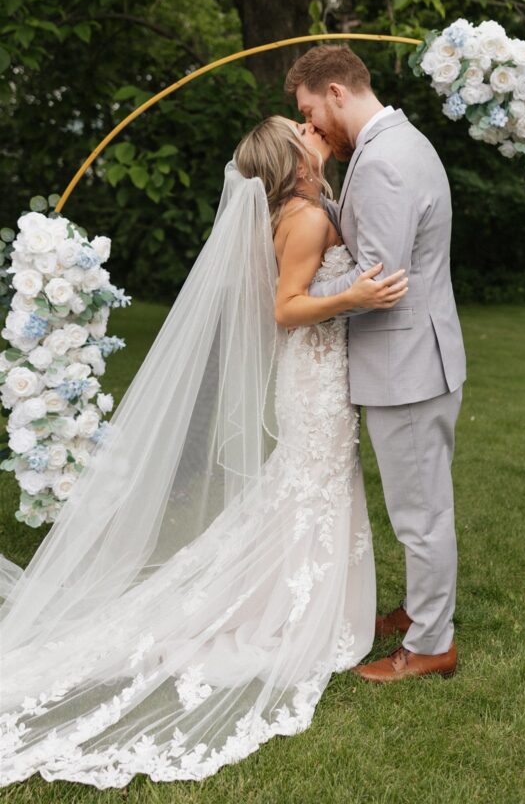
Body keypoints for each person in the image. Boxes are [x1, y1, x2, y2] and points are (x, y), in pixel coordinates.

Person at [0, 115, 408, 788]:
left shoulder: (299, 206)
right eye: (299, 130)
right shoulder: (303, 219)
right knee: (312, 486)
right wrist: (356, 294)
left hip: (314, 374)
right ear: (293, 161)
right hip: (312, 378)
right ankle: (287, 612)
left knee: (306, 488)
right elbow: (285, 307)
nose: (311, 129)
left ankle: (293, 600)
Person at [285, 42, 467, 683]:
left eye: (310, 109)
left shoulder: (385, 160)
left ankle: (430, 646)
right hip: (415, 356)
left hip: (409, 363)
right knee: (417, 505)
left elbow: (377, 281)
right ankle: (422, 613)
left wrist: (299, 304)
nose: (311, 124)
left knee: (421, 514)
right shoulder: (390, 144)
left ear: (335, 91)